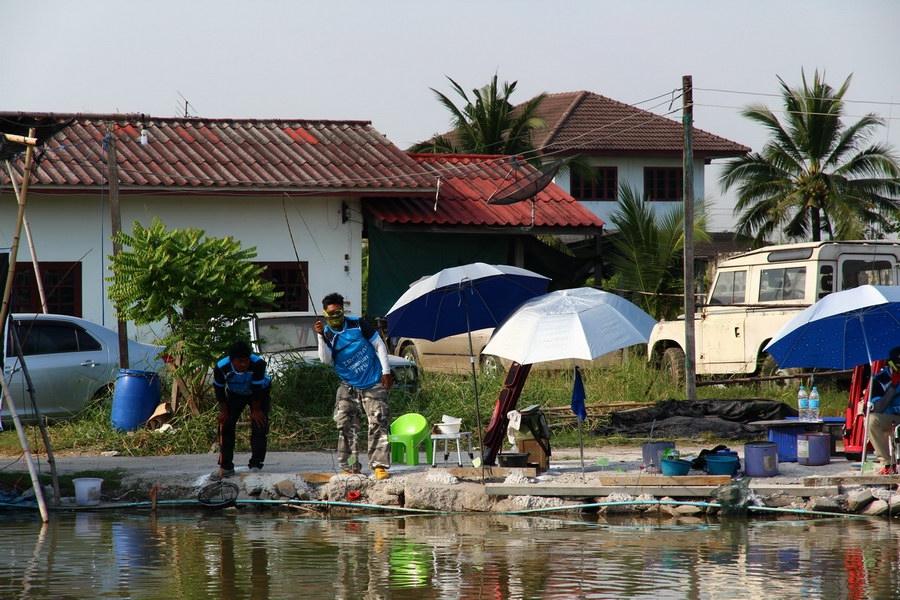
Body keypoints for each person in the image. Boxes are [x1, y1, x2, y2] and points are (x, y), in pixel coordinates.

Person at [314, 292, 394, 479]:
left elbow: (379, 345)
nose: (335, 317)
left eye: (338, 312)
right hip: (348, 385)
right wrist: (319, 336)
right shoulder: (326, 333)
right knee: (344, 423)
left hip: (373, 381)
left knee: (379, 420)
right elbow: (325, 360)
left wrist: (386, 372)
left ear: (343, 311)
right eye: (331, 314)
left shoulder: (358, 323)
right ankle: (350, 466)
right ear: (325, 314)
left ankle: (379, 465)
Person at [211, 340, 272, 480]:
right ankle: (226, 466)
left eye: (246, 361)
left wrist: (256, 411)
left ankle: (256, 464)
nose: (243, 365)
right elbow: (219, 390)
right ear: (232, 360)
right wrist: (224, 411)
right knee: (225, 425)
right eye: (240, 362)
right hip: (235, 393)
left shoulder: (258, 364)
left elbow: (257, 388)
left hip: (258, 393)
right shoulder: (221, 367)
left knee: (260, 424)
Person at [866, 346, 900, 475]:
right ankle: (888, 463)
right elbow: (878, 408)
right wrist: (893, 386)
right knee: (871, 420)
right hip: (890, 418)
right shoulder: (880, 380)